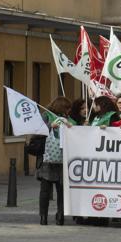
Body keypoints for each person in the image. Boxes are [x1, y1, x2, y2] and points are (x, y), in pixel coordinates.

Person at [38, 97, 72, 226]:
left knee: (61, 190)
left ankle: (60, 215)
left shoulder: (68, 119)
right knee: (46, 190)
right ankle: (43, 216)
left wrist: (71, 127)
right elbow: (38, 131)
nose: (68, 111)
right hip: (48, 158)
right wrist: (50, 126)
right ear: (61, 107)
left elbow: (76, 131)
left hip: (62, 159)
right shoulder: (47, 116)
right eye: (67, 108)